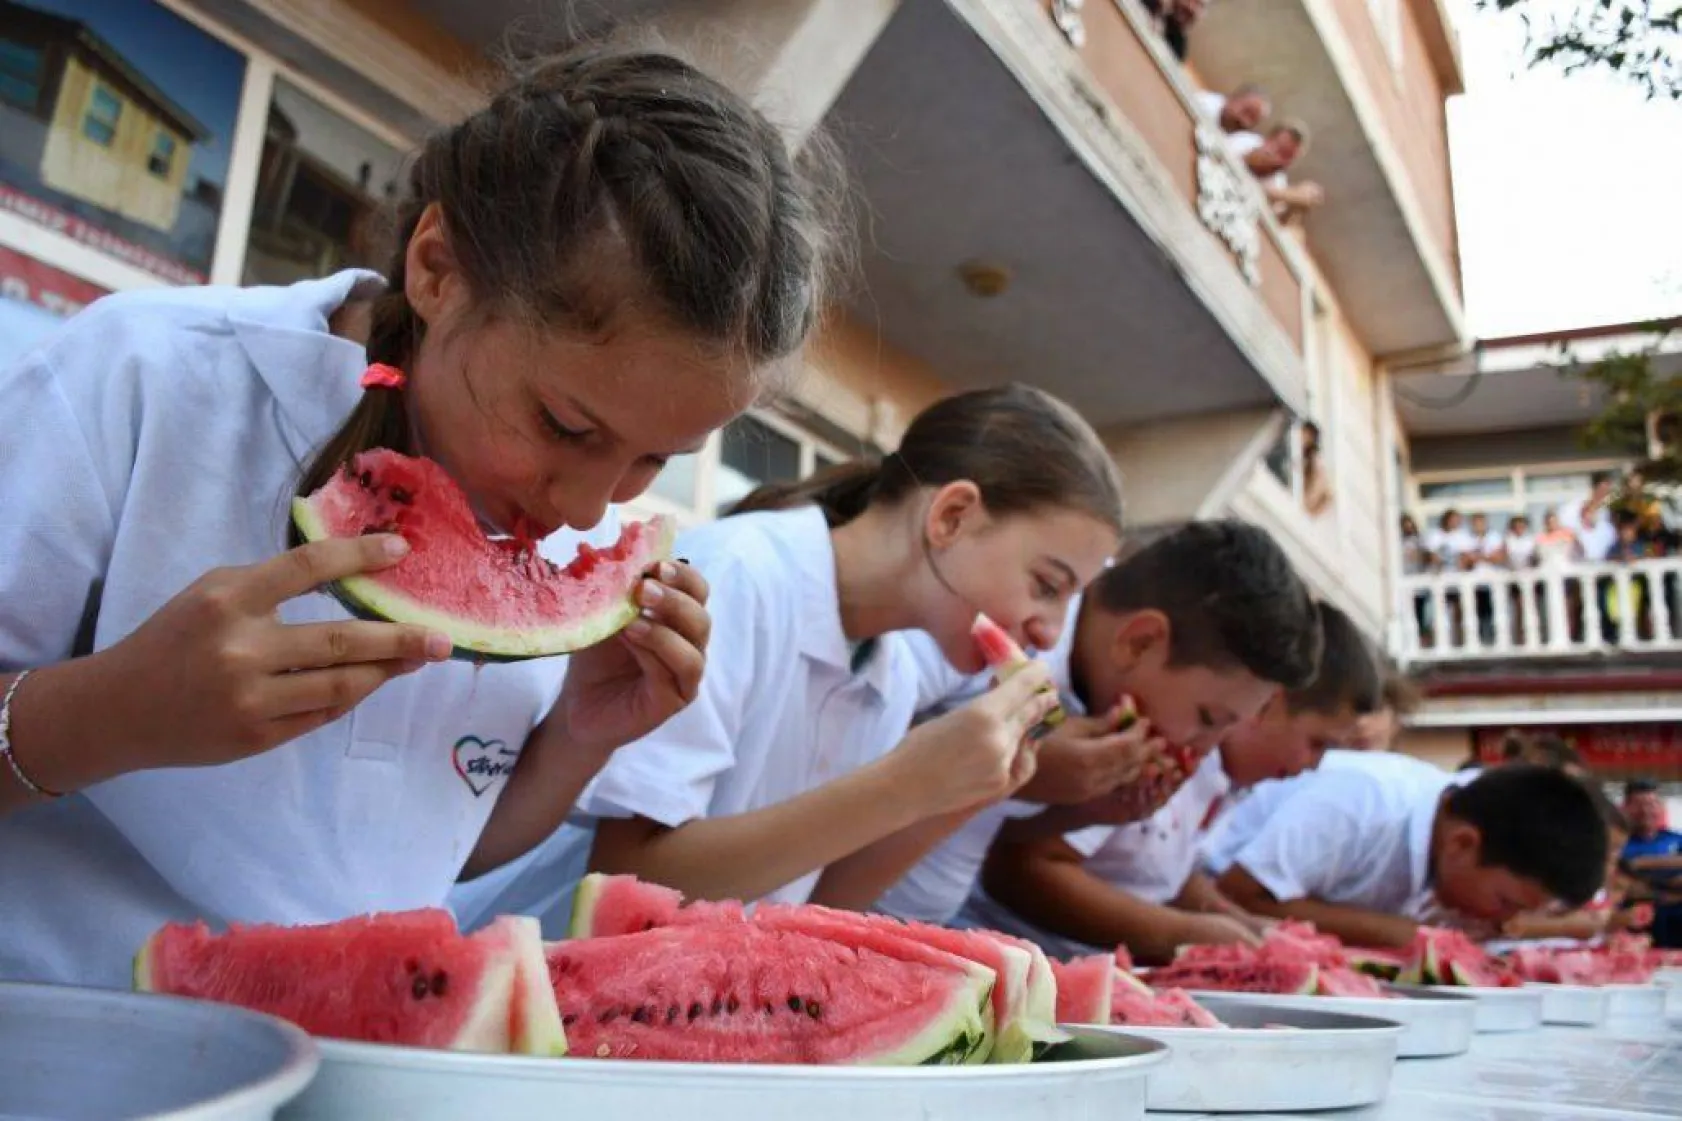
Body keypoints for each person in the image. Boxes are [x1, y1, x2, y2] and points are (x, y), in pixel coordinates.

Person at [0, 39, 839, 988]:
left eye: (656, 459)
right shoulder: (145, 378)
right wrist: (99, 718)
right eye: (564, 423)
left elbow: (419, 856)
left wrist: (580, 736)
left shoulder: (559, 533)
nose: (587, 506)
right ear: (438, 267)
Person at [569, 384, 1126, 911]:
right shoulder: (739, 573)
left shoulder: (894, 668)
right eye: (1047, 587)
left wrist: (956, 797)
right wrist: (907, 783)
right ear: (952, 516)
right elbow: (627, 883)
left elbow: (812, 904)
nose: (1050, 633)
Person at [872, 520, 1324, 929]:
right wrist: (1012, 762)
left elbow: (987, 836)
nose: (1205, 750)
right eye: (1207, 719)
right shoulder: (1008, 615)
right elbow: (837, 750)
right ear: (1139, 641)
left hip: (923, 935)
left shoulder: (1100, 691)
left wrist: (1085, 812)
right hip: (838, 918)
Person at [969, 602, 1382, 963]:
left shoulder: (1229, 782)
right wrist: (1177, 934)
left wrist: (1244, 927)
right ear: (1266, 704)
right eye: (1317, 743)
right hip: (1006, 948)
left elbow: (1169, 874)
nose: (1314, 767)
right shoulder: (1172, 743)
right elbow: (1022, 867)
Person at [1216, 760, 1608, 948]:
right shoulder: (1361, 803)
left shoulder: (1446, 833)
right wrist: (1406, 935)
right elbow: (1238, 892)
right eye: (1505, 902)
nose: (1504, 920)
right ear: (1463, 844)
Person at [1622, 779, 1682, 949]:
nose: (1646, 811)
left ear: (1661, 807)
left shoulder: (1675, 838)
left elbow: (1632, 867)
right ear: (1626, 808)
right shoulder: (1620, 842)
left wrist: (1641, 864)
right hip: (1642, 917)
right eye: (1639, 805)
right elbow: (1627, 888)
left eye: (1652, 804)